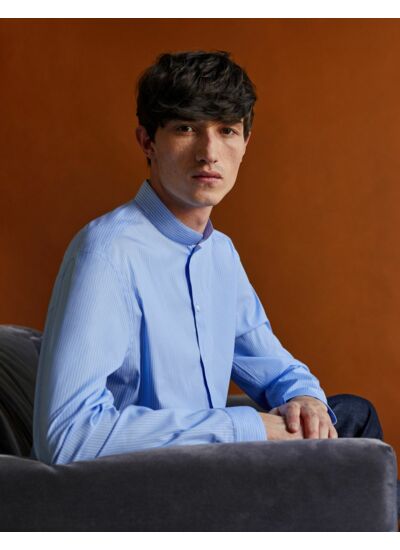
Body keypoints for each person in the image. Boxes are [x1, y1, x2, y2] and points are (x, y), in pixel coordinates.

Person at [31, 50, 385, 468]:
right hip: (148, 483)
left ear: (245, 143)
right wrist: (246, 427)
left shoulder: (220, 254)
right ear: (147, 142)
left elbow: (273, 365)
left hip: (210, 467)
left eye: (227, 130)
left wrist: (304, 399)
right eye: (186, 128)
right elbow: (68, 436)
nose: (209, 153)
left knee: (351, 414)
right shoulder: (107, 253)